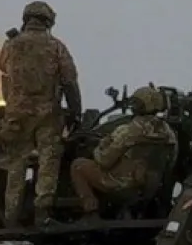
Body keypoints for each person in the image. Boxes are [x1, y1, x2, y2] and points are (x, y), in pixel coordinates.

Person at [0, 0, 82, 226]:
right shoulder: (56, 46)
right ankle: (42, 213)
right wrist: (76, 113)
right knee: (48, 161)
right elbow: (70, 81)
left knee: (15, 164)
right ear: (48, 22)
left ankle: (10, 216)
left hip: (16, 115)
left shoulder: (10, 45)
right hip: (47, 115)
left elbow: (4, 69)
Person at [70, 86, 178, 218]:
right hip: (150, 188)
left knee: (78, 165)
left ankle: (91, 213)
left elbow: (104, 161)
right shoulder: (168, 133)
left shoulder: (128, 131)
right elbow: (171, 161)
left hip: (122, 186)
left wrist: (100, 147)